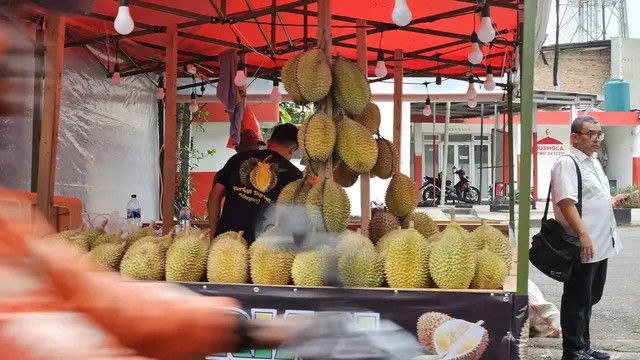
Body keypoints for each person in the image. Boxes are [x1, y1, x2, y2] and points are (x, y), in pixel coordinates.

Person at [550, 116, 630, 360]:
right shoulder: (567, 162)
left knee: (590, 296)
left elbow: (591, 196)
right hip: (581, 244)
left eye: (599, 134)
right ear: (574, 137)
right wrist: (583, 234)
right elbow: (566, 202)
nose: (597, 138)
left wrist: (611, 201)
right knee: (576, 297)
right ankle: (573, 350)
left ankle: (584, 346)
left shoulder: (592, 163)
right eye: (590, 134)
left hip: (600, 243)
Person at [208, 123, 303, 243]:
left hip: (225, 241)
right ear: (293, 149)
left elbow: (215, 195)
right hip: (261, 249)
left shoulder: (238, 158)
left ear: (269, 142)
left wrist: (214, 234)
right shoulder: (294, 175)